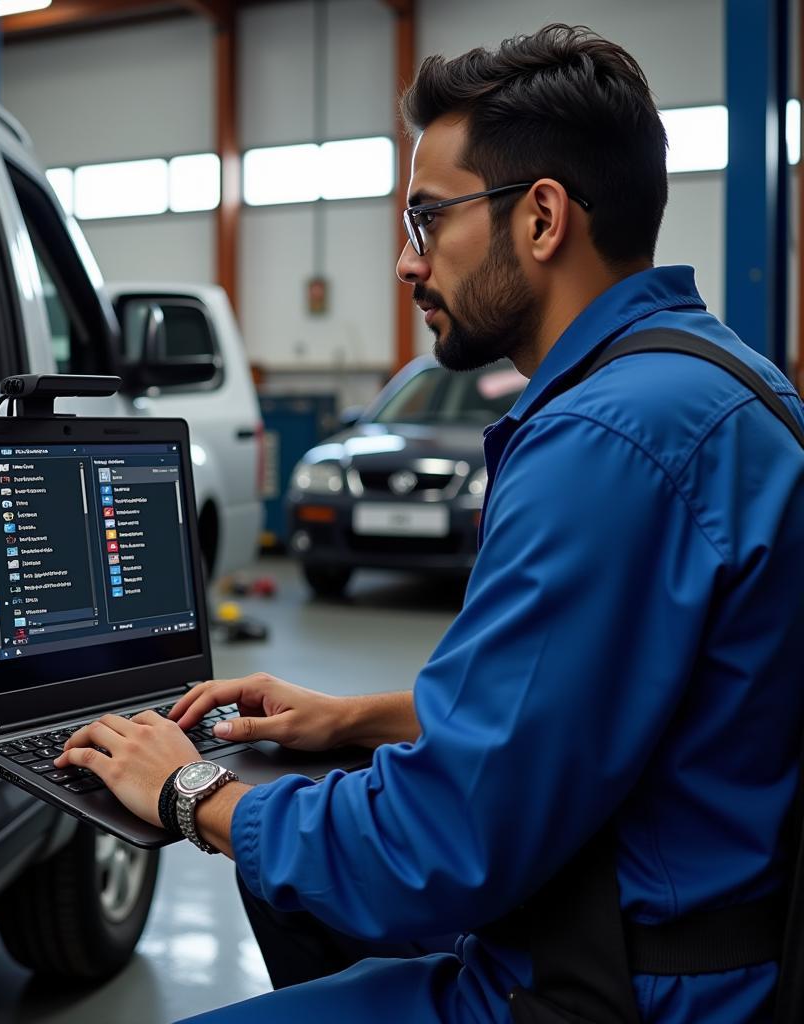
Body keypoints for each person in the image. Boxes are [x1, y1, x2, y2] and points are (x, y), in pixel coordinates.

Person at [53, 24, 804, 1024]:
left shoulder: (608, 441)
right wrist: (352, 717)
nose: (407, 265)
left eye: (427, 218)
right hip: (689, 913)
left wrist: (193, 792)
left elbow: (444, 838)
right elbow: (598, 696)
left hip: (625, 986)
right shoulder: (719, 382)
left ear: (541, 218)